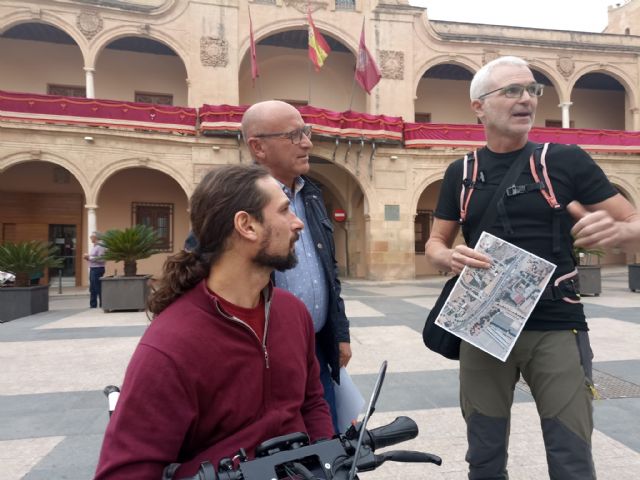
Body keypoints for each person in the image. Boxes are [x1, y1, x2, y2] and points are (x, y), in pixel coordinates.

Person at [425, 56, 640, 480]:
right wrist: (446, 256)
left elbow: (634, 223)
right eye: (512, 90)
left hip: (556, 324)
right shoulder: (461, 172)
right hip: (483, 325)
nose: (526, 99)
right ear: (479, 106)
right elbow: (435, 241)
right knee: (483, 457)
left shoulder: (565, 160)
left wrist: (619, 231)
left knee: (571, 457)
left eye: (532, 90)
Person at [94, 164, 333, 479]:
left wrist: (329, 459)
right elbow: (125, 472)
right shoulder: (170, 348)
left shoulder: (292, 313)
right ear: (246, 225)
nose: (298, 223)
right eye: (285, 210)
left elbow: (311, 402)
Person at [241, 100, 352, 433]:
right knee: (280, 442)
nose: (307, 143)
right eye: (294, 135)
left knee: (325, 439)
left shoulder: (312, 195)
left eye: (306, 132)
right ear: (258, 147)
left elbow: (328, 273)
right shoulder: (234, 198)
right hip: (263, 353)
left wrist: (340, 334)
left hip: (315, 347)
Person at [83, 231, 106, 308]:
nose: (90, 238)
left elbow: (102, 259)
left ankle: (102, 304)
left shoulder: (100, 246)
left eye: (91, 237)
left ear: (96, 238)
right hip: (93, 269)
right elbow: (94, 258)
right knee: (92, 288)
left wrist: (89, 257)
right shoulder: (95, 246)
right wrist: (88, 258)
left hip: (98, 269)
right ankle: (93, 305)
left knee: (98, 287)